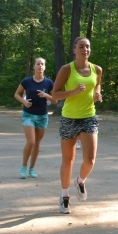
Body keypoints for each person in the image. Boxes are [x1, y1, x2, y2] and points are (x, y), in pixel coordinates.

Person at [50, 37, 103, 214]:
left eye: (87, 46)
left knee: (90, 160)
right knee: (68, 160)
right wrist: (73, 92)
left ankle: (80, 181)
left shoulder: (97, 69)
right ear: (74, 50)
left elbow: (97, 87)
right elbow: (55, 95)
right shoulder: (67, 69)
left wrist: (97, 95)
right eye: (81, 46)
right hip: (69, 118)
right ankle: (64, 197)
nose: (85, 49)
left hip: (89, 116)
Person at [13, 58, 54, 179]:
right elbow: (16, 94)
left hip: (42, 116)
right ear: (34, 67)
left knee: (37, 143)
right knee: (31, 141)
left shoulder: (49, 83)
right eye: (38, 64)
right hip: (28, 115)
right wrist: (24, 102)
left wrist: (46, 95)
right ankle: (23, 167)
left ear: (44, 67)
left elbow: (56, 100)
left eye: (42, 64)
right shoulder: (27, 81)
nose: (40, 66)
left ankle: (32, 169)